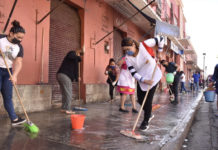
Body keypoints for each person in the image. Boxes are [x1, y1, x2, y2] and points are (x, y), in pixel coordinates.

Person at [122, 35, 164, 131]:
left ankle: (146, 121)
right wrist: (144, 80)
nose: (127, 52)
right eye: (125, 50)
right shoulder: (128, 58)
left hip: (153, 76)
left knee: (148, 100)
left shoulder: (144, 45)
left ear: (133, 45)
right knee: (140, 100)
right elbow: (133, 73)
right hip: (142, 78)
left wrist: (160, 52)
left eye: (128, 49)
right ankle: (149, 113)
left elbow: (161, 39)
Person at [0, 20, 26, 125]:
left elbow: (19, 62)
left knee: (8, 96)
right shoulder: (1, 39)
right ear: (11, 33)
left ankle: (14, 119)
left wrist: (15, 75)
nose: (20, 40)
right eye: (18, 37)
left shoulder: (19, 47)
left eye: (22, 38)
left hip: (8, 72)